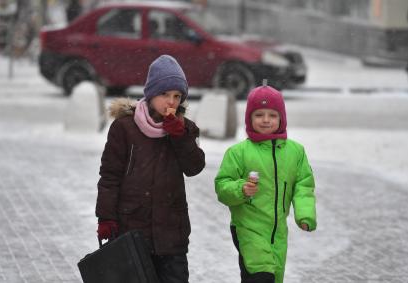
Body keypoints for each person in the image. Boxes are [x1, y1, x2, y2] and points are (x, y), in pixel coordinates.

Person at [96, 55, 205, 283]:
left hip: (172, 233)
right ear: (152, 93)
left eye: (177, 96)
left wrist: (179, 136)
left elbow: (194, 167)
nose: (171, 102)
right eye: (165, 94)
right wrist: (106, 218)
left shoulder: (185, 129)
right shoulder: (124, 128)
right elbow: (110, 177)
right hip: (133, 228)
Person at [214, 84, 317, 283]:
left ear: (281, 119)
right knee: (260, 274)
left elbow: (303, 185)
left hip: (278, 230)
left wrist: (305, 214)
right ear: (249, 118)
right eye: (259, 115)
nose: (266, 120)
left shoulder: (295, 152)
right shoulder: (238, 152)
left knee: (275, 275)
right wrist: (240, 188)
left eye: (272, 115)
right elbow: (222, 186)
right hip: (247, 227)